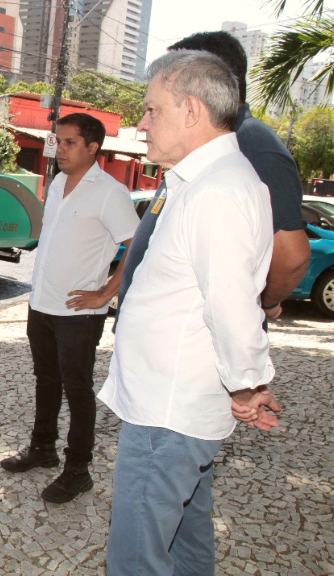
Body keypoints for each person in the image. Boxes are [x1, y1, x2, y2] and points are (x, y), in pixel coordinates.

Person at [98, 50, 280, 575]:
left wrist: (247, 383)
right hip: (175, 407)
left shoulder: (216, 190)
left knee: (137, 557)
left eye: (153, 109)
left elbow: (231, 303)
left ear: (192, 111)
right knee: (185, 540)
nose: (142, 122)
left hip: (168, 412)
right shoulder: (205, 179)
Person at [0, 112, 139, 504]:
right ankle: (43, 449)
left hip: (78, 313)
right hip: (41, 304)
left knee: (77, 391)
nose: (59, 149)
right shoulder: (59, 182)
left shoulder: (110, 192)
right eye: (58, 141)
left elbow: (136, 244)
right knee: (46, 381)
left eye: (70, 142)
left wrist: (105, 293)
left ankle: (78, 471)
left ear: (93, 147)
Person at [168, 31, 310, 322]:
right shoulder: (205, 142)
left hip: (202, 346)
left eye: (171, 79)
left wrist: (264, 305)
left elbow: (292, 255)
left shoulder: (254, 147)